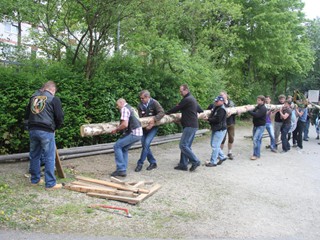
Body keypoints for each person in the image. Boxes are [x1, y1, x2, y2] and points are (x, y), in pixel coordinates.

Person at [25, 81, 64, 190]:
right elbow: (60, 117)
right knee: (49, 157)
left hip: (33, 130)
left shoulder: (33, 98)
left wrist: (28, 127)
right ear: (52, 90)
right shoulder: (53, 99)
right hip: (46, 131)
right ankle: (50, 184)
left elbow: (27, 115)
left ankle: (35, 180)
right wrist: (55, 128)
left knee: (34, 155)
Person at [166, 84, 203, 172]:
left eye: (181, 91)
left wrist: (166, 113)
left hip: (189, 126)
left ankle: (195, 161)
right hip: (193, 125)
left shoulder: (187, 99)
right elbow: (200, 110)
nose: (180, 93)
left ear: (186, 90)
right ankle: (183, 164)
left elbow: (176, 108)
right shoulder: (192, 99)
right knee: (187, 146)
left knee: (183, 145)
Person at [111, 98, 143, 177]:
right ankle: (123, 169)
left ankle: (121, 169)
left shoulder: (124, 109)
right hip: (139, 133)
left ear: (121, 102)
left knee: (117, 146)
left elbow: (125, 124)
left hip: (134, 133)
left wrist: (116, 129)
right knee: (124, 148)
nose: (117, 107)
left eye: (117, 105)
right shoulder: (132, 108)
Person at [135, 90, 165, 172]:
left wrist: (154, 120)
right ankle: (153, 162)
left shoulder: (154, 103)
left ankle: (140, 163)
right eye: (140, 98)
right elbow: (140, 117)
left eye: (143, 98)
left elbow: (162, 112)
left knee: (146, 143)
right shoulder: (140, 105)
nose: (141, 100)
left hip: (153, 127)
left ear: (148, 97)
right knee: (145, 145)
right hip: (144, 128)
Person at [205, 96, 228, 167]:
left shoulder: (222, 109)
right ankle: (222, 156)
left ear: (222, 101)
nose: (215, 102)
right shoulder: (216, 107)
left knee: (215, 146)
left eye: (217, 101)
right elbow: (212, 113)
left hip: (220, 129)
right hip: (216, 129)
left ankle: (213, 162)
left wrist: (208, 119)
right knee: (213, 144)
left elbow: (217, 120)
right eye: (215, 101)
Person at [246, 95, 267, 160]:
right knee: (258, 140)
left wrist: (248, 110)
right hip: (256, 125)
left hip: (261, 126)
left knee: (255, 139)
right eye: (257, 100)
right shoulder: (258, 107)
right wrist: (249, 108)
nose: (257, 101)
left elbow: (257, 115)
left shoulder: (263, 108)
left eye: (259, 100)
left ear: (262, 101)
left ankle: (255, 155)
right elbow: (253, 112)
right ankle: (257, 154)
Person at [219, 91, 236, 160]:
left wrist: (237, 112)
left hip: (231, 123)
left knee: (231, 138)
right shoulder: (220, 103)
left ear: (226, 95)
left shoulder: (231, 103)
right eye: (220, 95)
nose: (221, 96)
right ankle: (220, 154)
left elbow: (236, 111)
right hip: (223, 124)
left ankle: (229, 153)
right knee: (222, 139)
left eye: (222, 95)